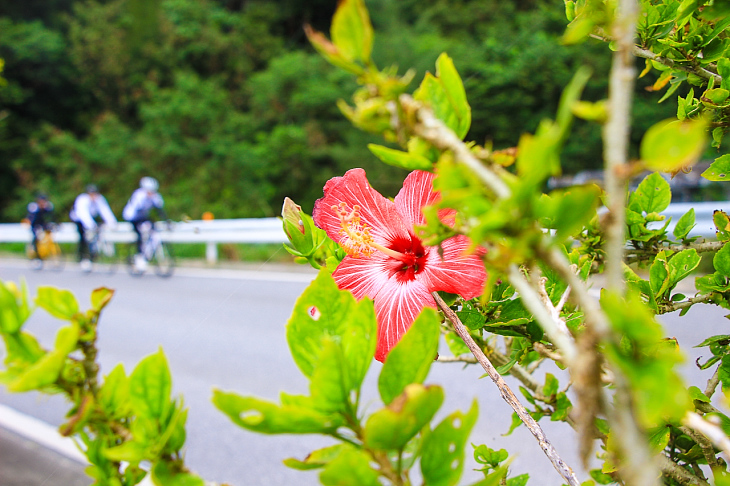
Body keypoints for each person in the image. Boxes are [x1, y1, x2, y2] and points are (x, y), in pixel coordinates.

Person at [69, 184, 118, 270]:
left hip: (92, 217)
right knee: (84, 237)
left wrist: (112, 223)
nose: (93, 196)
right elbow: (83, 214)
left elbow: (105, 211)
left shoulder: (100, 199)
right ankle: (83, 256)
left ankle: (93, 255)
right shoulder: (82, 200)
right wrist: (91, 226)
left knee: (96, 234)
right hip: (79, 219)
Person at [123, 177, 166, 268]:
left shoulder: (155, 196)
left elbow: (160, 210)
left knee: (153, 231)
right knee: (140, 235)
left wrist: (167, 220)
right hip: (132, 216)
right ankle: (139, 256)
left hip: (143, 216)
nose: (151, 193)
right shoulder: (139, 195)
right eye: (149, 191)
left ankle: (147, 255)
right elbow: (138, 210)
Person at [25, 192, 55, 259]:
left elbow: (52, 217)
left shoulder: (47, 207)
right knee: (36, 237)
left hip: (42, 223)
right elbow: (32, 219)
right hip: (34, 224)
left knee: (47, 234)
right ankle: (36, 253)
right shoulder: (34, 208)